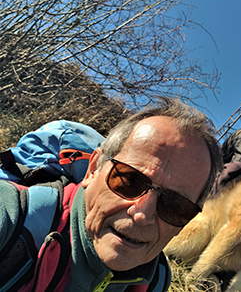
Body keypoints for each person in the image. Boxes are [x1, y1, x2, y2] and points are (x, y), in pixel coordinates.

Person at [0, 97, 222, 291]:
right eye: (129, 181)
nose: (142, 214)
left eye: (174, 205)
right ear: (94, 169)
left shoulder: (156, 281)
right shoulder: (10, 215)